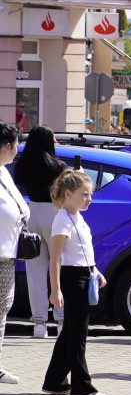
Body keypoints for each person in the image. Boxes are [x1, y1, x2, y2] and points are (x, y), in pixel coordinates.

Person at [42, 169, 107, 395]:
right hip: (71, 278)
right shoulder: (61, 219)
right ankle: (82, 388)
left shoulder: (77, 216)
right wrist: (55, 289)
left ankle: (55, 382)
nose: (89, 199)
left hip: (83, 274)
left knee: (70, 331)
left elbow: (82, 249)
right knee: (78, 333)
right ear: (68, 193)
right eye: (84, 194)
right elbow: (55, 258)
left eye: (90, 194)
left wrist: (95, 270)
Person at [13, 126, 67, 339]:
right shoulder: (58, 166)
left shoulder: (23, 165)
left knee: (34, 273)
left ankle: (39, 324)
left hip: (32, 214)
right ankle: (62, 321)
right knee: (61, 270)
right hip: (55, 215)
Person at [0, 122, 25, 385]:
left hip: (6, 255)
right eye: (16, 145)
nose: (17, 150)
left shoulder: (4, 172)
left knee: (2, 310)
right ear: (7, 147)